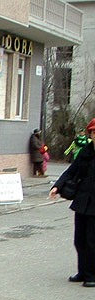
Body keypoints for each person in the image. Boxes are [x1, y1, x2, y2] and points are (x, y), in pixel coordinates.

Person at [49, 117, 95, 288]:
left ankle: (92, 275)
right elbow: (71, 171)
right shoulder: (85, 153)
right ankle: (82, 272)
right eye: (94, 133)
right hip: (83, 201)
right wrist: (57, 186)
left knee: (92, 241)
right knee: (80, 240)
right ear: (90, 134)